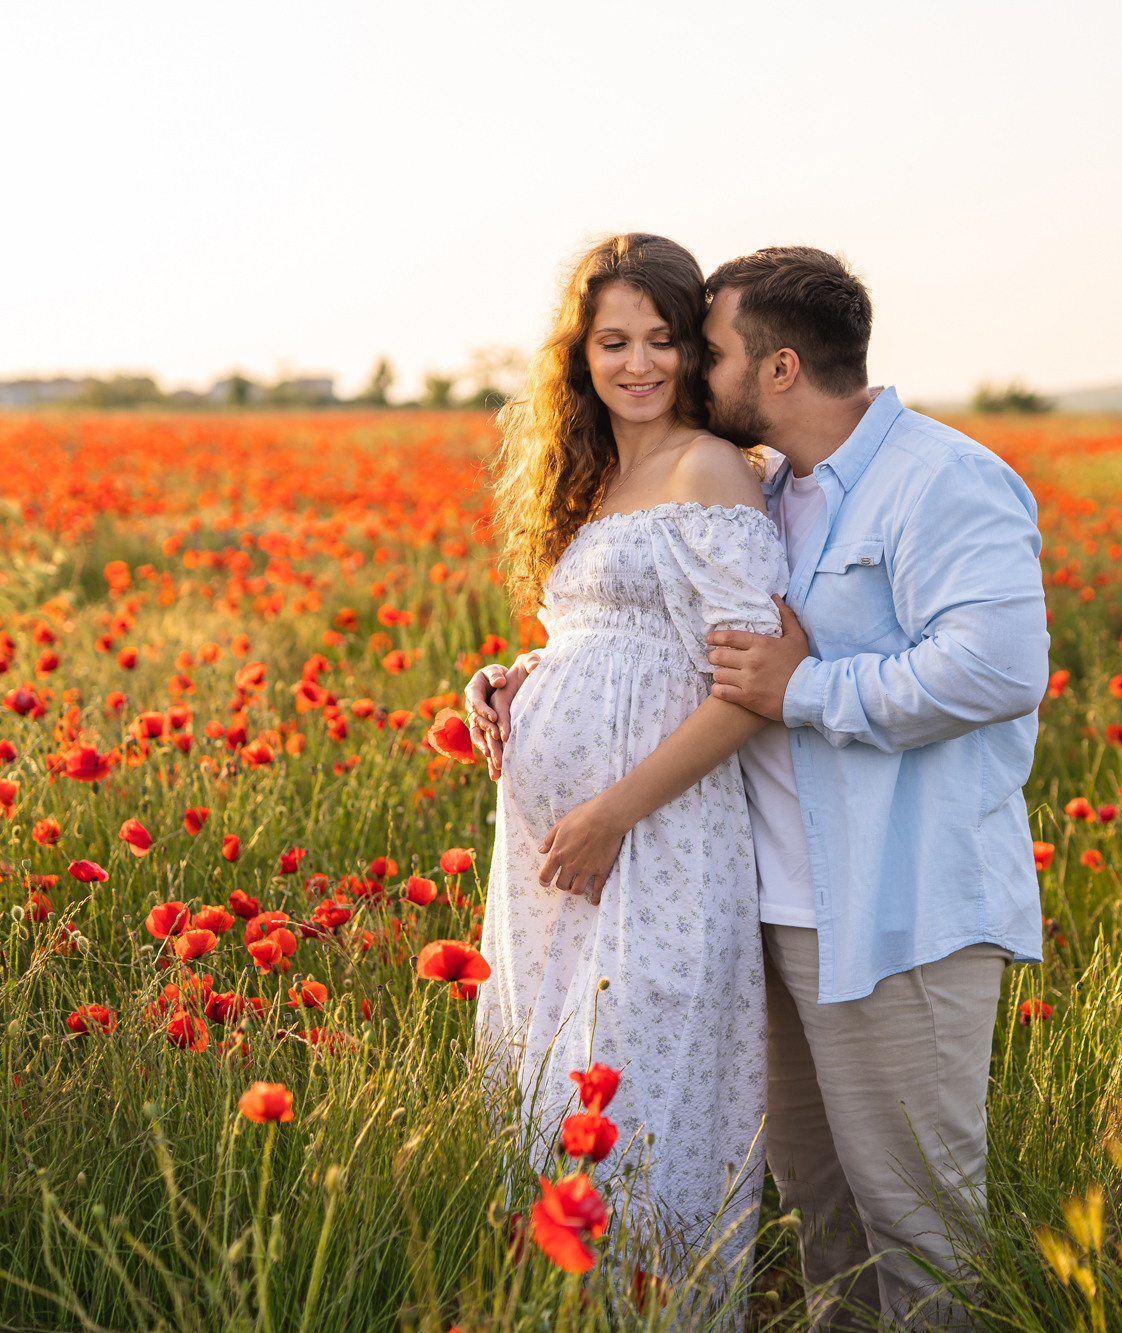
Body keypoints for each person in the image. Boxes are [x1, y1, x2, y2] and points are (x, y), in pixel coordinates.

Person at [474, 246, 1049, 1328]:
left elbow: (997, 667)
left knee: (916, 1221)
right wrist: (531, 681)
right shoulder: (783, 489)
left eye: (702, 345)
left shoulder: (939, 478)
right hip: (768, 905)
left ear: (775, 367)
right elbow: (664, 648)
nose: (683, 364)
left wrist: (807, 688)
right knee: (821, 1217)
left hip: (896, 907)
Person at [467, 232, 786, 1289]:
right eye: (612, 340)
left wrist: (612, 811)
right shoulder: (591, 472)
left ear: (692, 351)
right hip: (551, 861)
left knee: (621, 1104)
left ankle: (650, 1307)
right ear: (580, 353)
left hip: (657, 845)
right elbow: (597, 640)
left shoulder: (707, 466)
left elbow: (748, 685)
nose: (637, 363)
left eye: (659, 339)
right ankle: (552, 1309)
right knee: (536, 1105)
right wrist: (512, 679)